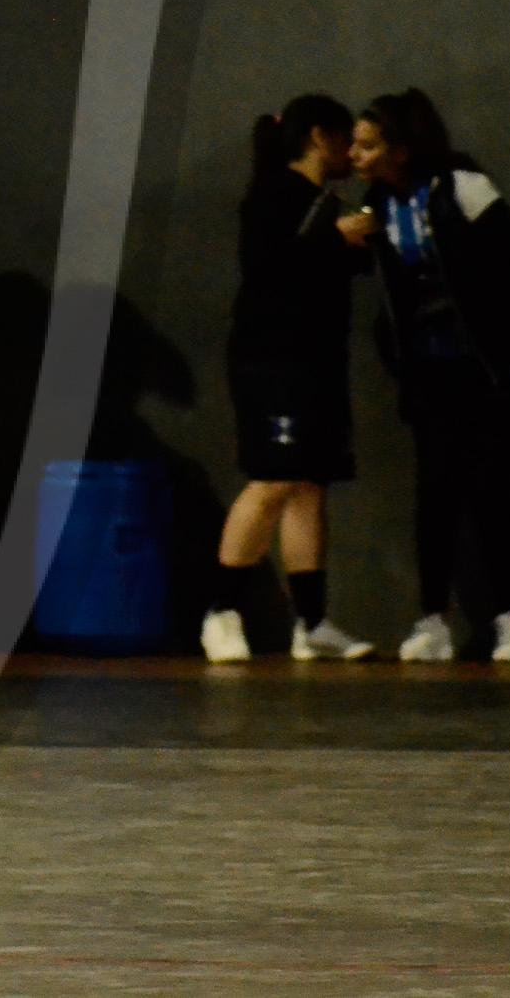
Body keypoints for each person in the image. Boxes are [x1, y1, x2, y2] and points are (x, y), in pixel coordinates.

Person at [352, 88, 510, 663]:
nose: (355, 156)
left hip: (480, 368)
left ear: (401, 150)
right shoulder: (377, 206)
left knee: (489, 491)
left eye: (367, 146)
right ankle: (432, 619)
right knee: (434, 495)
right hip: (428, 371)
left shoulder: (462, 187)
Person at [200, 94, 377, 663]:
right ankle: (221, 611)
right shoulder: (273, 195)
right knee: (273, 479)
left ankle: (313, 621)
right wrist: (336, 238)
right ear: (319, 137)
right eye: (346, 140)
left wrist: (358, 237)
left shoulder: (328, 202)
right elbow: (270, 266)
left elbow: (344, 265)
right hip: (272, 359)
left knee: (309, 485)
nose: (352, 153)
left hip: (316, 359)